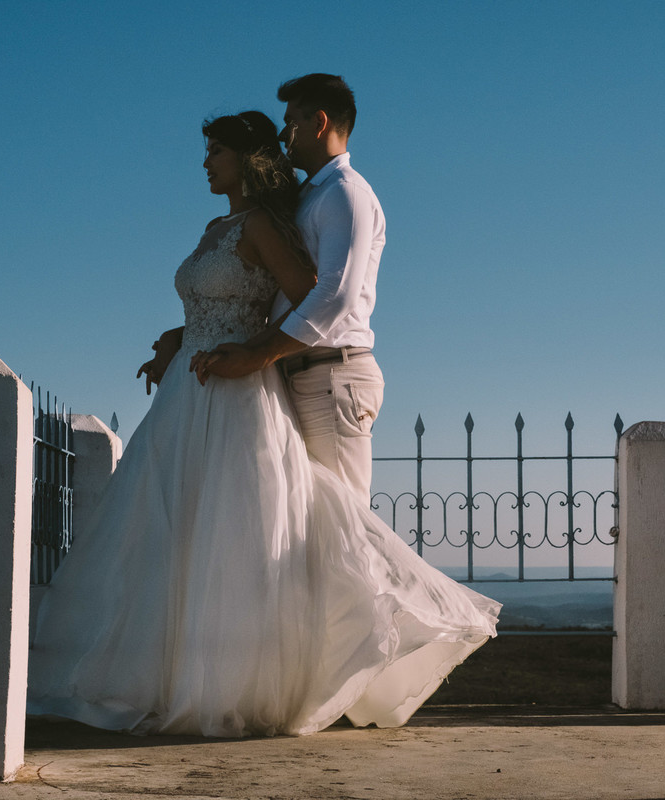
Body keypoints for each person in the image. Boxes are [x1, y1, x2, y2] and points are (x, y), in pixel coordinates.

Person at [27, 110, 499, 739]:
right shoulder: (214, 226)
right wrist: (176, 337)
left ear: (245, 161)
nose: (204, 162)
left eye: (215, 151)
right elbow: (211, 300)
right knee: (177, 530)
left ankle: (259, 677)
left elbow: (308, 296)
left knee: (242, 530)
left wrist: (244, 347)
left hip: (239, 390)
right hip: (186, 395)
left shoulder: (269, 223)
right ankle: (166, 678)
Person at [193, 74, 385, 504]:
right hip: (297, 374)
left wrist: (258, 352)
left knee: (345, 527)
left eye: (290, 121)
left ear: (318, 122)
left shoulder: (346, 193)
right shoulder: (309, 197)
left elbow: (335, 294)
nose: (282, 134)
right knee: (307, 529)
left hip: (330, 376)